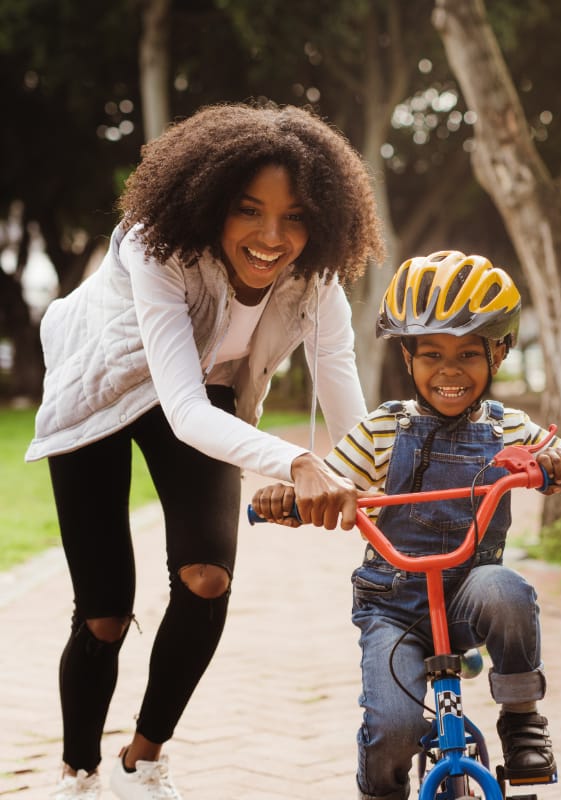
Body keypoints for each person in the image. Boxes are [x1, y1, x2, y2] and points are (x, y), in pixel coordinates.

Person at [25, 101, 385, 800]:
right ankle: (77, 773)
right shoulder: (153, 246)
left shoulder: (318, 281)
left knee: (207, 577)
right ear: (212, 203)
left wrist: (377, 476)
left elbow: (346, 402)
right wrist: (298, 462)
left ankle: (142, 759)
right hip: (100, 394)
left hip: (203, 394)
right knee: (103, 610)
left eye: (296, 217)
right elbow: (182, 408)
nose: (272, 236)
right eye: (249, 211)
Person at [251, 250, 561, 800]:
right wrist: (292, 498)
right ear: (409, 356)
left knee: (508, 590)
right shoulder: (383, 428)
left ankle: (521, 718)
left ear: (500, 353)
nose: (449, 369)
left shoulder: (511, 427)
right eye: (432, 353)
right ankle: (382, 791)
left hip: (471, 597)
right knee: (392, 728)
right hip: (393, 606)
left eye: (468, 353)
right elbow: (329, 483)